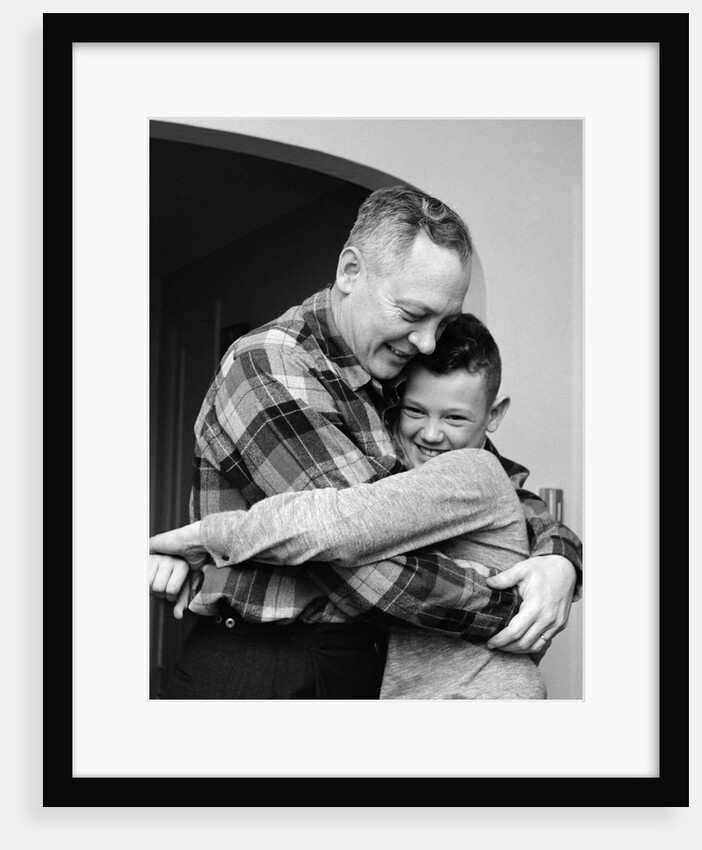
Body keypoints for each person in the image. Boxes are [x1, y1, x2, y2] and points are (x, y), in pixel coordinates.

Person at [149, 185, 582, 699]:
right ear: (351, 271)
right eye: (413, 314)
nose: (427, 342)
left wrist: (559, 562)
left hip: (367, 667)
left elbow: (498, 486)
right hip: (270, 669)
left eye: (443, 322)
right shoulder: (270, 365)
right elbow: (356, 563)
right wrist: (518, 606)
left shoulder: (397, 378)